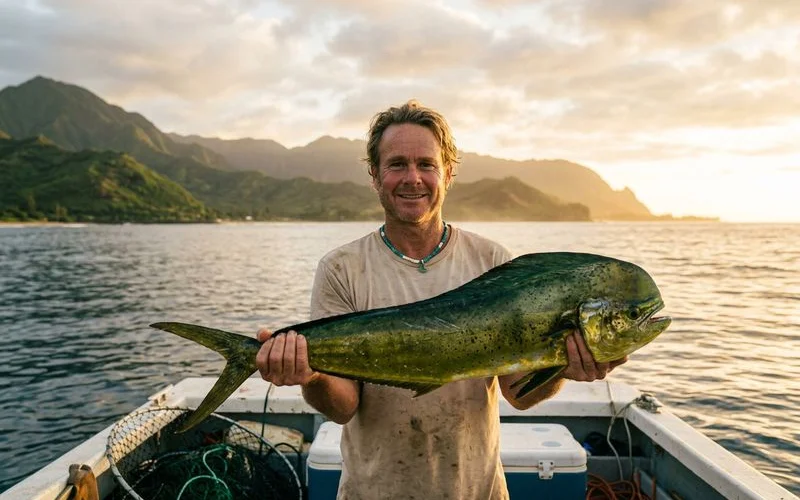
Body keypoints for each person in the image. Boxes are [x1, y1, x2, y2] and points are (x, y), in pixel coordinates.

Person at [255, 100, 627, 500]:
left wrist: (563, 368)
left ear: (448, 174)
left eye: (426, 164)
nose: (412, 178)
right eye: (397, 164)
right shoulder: (341, 269)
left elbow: (519, 393)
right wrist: (310, 375)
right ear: (374, 176)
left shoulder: (493, 263)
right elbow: (343, 407)